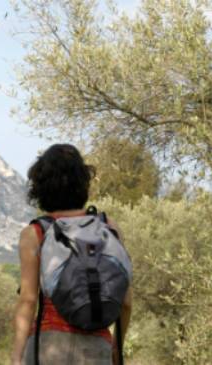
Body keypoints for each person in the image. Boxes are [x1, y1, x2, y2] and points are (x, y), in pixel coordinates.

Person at [10, 144, 132, 365]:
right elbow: (126, 302)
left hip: (48, 347)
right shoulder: (108, 228)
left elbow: (28, 300)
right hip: (97, 349)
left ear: (40, 187)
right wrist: (116, 349)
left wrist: (17, 356)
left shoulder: (35, 233)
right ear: (83, 182)